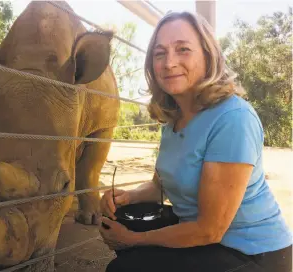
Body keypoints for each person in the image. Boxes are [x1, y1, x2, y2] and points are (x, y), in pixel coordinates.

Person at [98, 11, 292, 272]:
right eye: (160, 53)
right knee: (130, 254)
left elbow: (209, 230)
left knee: (125, 267)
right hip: (207, 242)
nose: (169, 62)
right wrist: (127, 197)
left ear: (208, 56)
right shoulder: (173, 120)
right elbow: (159, 187)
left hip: (252, 253)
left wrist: (134, 239)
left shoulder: (232, 119)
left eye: (183, 49)